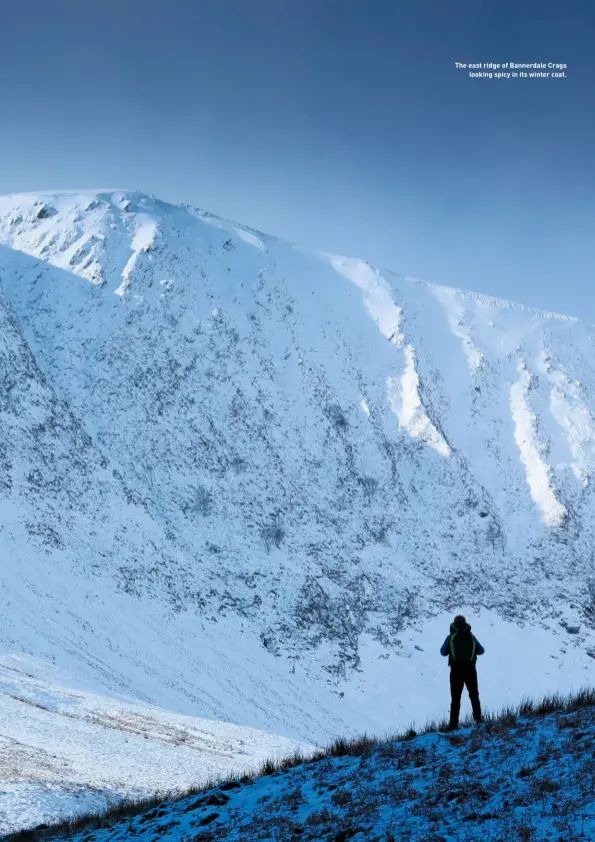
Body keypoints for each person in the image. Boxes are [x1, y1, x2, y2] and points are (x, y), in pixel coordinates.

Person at [440, 614, 485, 731]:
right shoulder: (471, 636)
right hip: (470, 669)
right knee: (474, 695)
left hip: (456, 671)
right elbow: (481, 650)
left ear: (454, 624)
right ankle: (478, 719)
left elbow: (442, 652)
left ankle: (453, 725)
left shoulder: (451, 637)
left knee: (455, 698)